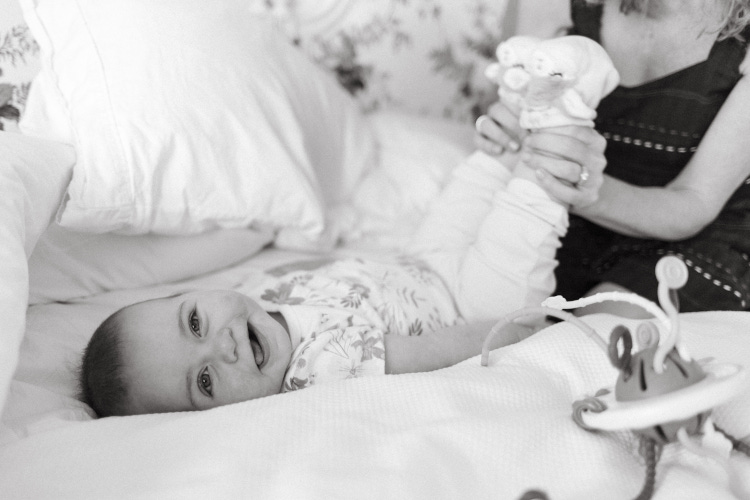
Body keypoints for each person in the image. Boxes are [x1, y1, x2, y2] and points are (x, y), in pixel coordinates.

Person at [80, 35, 618, 417]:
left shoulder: (254, 291)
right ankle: (566, 110)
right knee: (526, 209)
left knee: (472, 184)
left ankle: (519, 102)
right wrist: (522, 332)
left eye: (194, 321)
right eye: (204, 381)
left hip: (422, 261)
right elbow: (433, 353)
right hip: (476, 304)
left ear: (194, 292)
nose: (221, 345)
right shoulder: (318, 371)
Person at [475, 0, 750, 316]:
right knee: (484, 313)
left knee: (575, 340)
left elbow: (695, 201)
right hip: (573, 225)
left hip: (692, 241)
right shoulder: (561, 8)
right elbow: (519, 107)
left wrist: (580, 190)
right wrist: (503, 133)